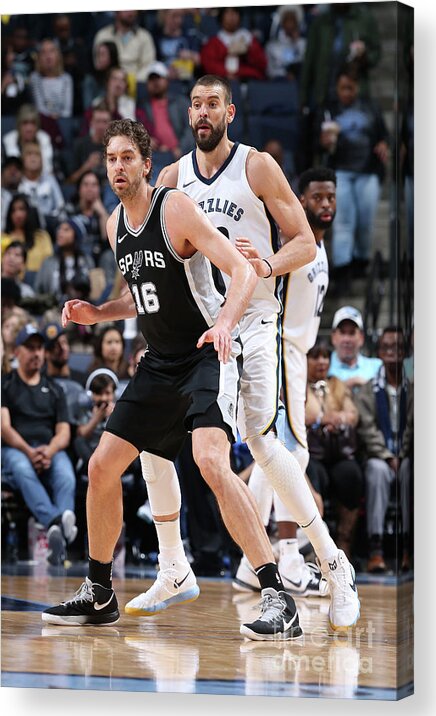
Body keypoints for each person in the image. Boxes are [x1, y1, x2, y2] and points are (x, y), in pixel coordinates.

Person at [42, 118, 303, 641]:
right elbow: (142, 297)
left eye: (125, 158)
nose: (117, 167)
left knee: (211, 461)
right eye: (109, 159)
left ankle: (277, 594)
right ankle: (99, 590)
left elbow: (242, 270)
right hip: (159, 361)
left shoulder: (174, 206)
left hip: (203, 353)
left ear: (145, 163)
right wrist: (99, 313)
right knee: (100, 466)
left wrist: (226, 324)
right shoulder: (115, 224)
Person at [128, 76, 360, 632]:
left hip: (255, 323)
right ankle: (173, 562)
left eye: (214, 104)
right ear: (187, 116)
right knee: (150, 429)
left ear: (230, 111)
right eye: (196, 106)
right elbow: (157, 266)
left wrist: (265, 266)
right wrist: (153, 339)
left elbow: (303, 240)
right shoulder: (170, 179)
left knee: (260, 440)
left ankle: (331, 563)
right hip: (203, 332)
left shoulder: (256, 166)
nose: (204, 113)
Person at [234, 167, 337, 592]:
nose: (325, 204)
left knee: (271, 459)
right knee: (292, 456)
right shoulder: (290, 244)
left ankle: (249, 562)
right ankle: (290, 557)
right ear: (299, 200)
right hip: (278, 348)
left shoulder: (321, 248)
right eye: (316, 197)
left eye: (330, 197)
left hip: (296, 352)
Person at [1, 324, 77, 565]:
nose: (36, 353)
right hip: (16, 448)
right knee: (22, 469)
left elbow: (64, 431)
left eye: (40, 348)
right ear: (17, 352)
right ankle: (58, 523)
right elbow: (4, 427)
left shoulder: (55, 388)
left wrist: (50, 450)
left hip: (49, 448)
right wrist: (29, 451)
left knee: (66, 474)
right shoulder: (5, 384)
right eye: (30, 348)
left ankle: (58, 530)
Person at [317, 65, 390, 288]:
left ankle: (361, 260)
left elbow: (383, 135)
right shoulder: (329, 110)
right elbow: (315, 141)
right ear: (337, 89)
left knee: (366, 222)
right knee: (343, 221)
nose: (346, 92)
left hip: (367, 171)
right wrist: (324, 142)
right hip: (341, 172)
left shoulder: (370, 108)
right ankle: (342, 266)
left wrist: (383, 144)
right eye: (342, 88)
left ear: (357, 88)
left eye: (350, 88)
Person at [355, 327, 413, 572]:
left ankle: (410, 548)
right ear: (379, 352)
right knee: (377, 471)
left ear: (406, 351)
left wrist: (402, 453)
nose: (392, 351)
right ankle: (376, 550)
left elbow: (414, 426)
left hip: (407, 454)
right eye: (387, 347)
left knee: (412, 470)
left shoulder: (415, 389)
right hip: (380, 457)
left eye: (398, 346)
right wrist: (388, 455)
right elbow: (367, 428)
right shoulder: (369, 389)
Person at [305, 339, 363, 559]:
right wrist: (321, 417)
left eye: (325, 357)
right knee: (312, 475)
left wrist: (338, 418)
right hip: (312, 454)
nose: (321, 362)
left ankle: (344, 540)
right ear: (305, 359)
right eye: (315, 357)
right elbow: (301, 416)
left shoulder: (337, 384)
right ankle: (316, 546)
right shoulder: (297, 384)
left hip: (338, 452)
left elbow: (353, 415)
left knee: (352, 475)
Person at [136, 62, 194, 157]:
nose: (155, 82)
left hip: (182, 154)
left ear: (167, 80)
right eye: (151, 79)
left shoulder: (180, 102)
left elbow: (192, 127)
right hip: (156, 155)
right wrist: (146, 139)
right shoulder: (142, 106)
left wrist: (181, 148)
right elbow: (137, 130)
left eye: (158, 78)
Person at [34, 218, 94, 304]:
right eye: (59, 229)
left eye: (66, 230)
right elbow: (38, 290)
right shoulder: (48, 262)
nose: (60, 233)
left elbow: (94, 291)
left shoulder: (87, 261)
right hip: (53, 310)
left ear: (76, 235)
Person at [200, 7, 267, 81]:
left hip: (248, 81)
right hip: (223, 82)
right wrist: (226, 73)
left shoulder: (249, 39)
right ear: (221, 17)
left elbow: (262, 65)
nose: (232, 16)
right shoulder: (214, 42)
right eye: (227, 13)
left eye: (235, 12)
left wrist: (249, 49)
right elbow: (209, 65)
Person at [92, 11, 157, 84]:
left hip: (136, 83)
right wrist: (114, 79)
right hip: (107, 82)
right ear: (116, 12)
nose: (131, 12)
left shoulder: (144, 36)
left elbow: (149, 65)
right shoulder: (103, 35)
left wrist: (130, 80)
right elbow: (98, 64)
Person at [329, 305, 382, 390]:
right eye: (342, 332)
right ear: (333, 337)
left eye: (352, 333)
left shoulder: (377, 367)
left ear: (361, 338)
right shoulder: (323, 366)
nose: (346, 339)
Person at [1, 193, 53, 276]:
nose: (17, 214)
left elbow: (48, 264)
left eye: (21, 209)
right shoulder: (2, 237)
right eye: (13, 210)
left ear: (30, 211)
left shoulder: (42, 237)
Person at [66, 103, 112, 186]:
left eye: (105, 122)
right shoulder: (80, 145)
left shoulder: (115, 147)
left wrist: (110, 167)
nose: (101, 126)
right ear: (91, 123)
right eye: (98, 121)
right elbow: (69, 181)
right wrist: (86, 166)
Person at [2, 104, 54, 176]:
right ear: (18, 125)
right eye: (25, 123)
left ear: (38, 125)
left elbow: (48, 170)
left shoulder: (44, 140)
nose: (29, 128)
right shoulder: (8, 141)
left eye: (33, 123)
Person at [29, 38, 74, 121]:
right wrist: (51, 119)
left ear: (58, 56)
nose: (48, 56)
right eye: (44, 52)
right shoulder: (35, 78)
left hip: (63, 122)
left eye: (51, 51)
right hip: (42, 123)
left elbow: (67, 110)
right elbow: (39, 108)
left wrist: (59, 118)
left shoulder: (66, 79)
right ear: (39, 57)